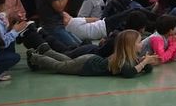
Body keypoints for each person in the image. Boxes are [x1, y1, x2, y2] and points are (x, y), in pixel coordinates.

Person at [26, 29, 159, 78]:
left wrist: (146, 61)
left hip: (90, 60)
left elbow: (146, 69)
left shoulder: (129, 57)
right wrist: (145, 62)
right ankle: (35, 57)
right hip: (86, 65)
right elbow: (129, 73)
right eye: (139, 42)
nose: (141, 44)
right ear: (130, 46)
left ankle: (45, 49)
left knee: (65, 60)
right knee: (59, 66)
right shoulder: (122, 59)